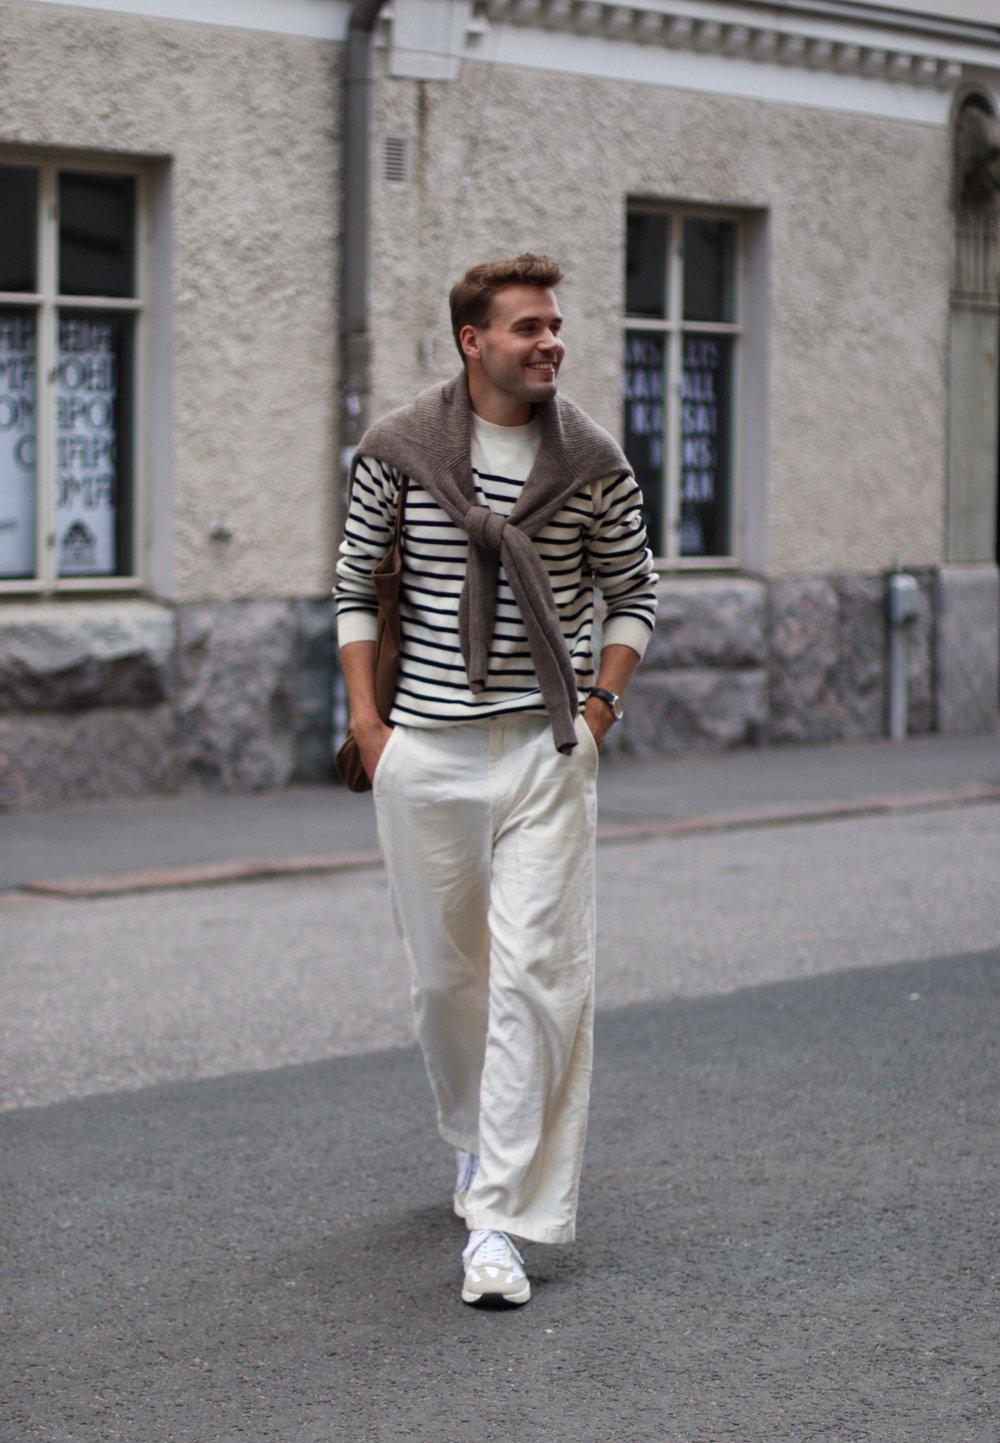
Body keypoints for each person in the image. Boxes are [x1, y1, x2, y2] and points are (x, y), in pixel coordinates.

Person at [335, 253, 658, 1306]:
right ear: (473, 341)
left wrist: (599, 709)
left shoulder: (594, 461)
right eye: (527, 328)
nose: (549, 342)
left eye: (555, 325)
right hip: (424, 749)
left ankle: (501, 1223)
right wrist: (370, 726)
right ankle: (474, 1143)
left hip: (543, 750)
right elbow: (351, 588)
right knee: (446, 984)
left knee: (539, 979)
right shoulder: (397, 451)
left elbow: (632, 596)